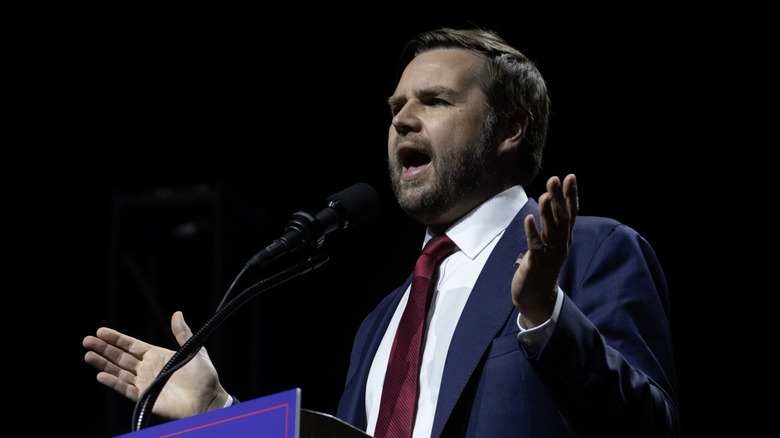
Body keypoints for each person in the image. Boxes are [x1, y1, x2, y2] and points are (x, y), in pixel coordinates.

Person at [83, 27, 680, 437]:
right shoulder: (382, 323)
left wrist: (546, 319)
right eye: (394, 106)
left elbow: (649, 427)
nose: (401, 118)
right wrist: (221, 412)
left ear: (511, 129)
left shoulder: (592, 252)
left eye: (436, 100)